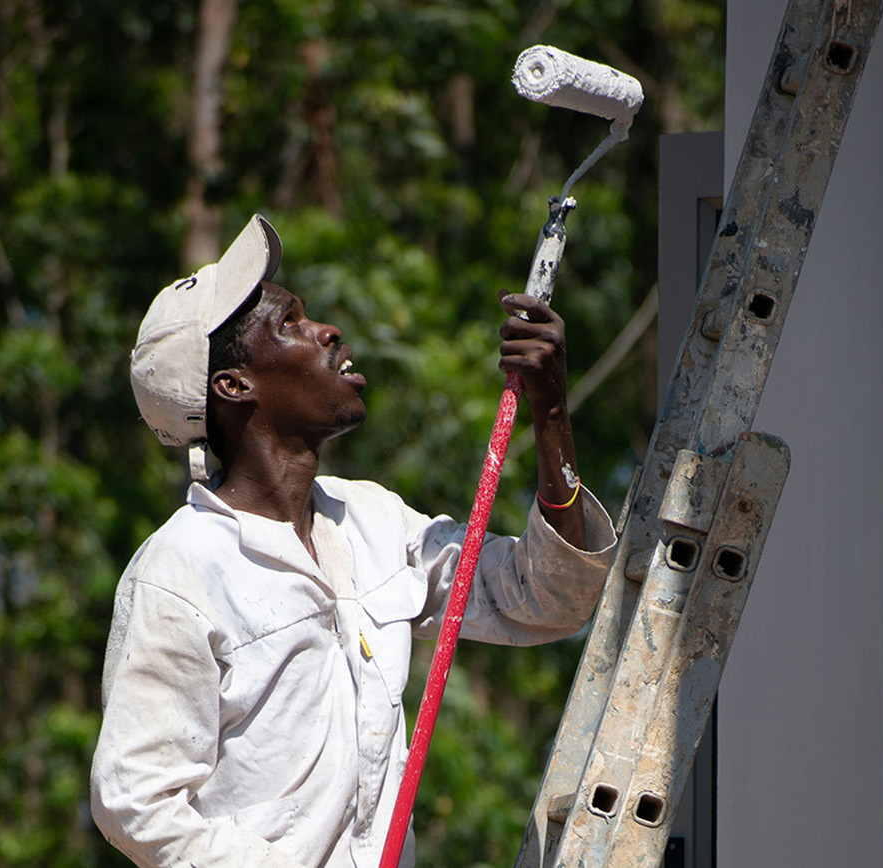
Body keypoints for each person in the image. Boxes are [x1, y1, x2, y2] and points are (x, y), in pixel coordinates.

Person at [90, 214, 616, 868]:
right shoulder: (181, 571)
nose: (328, 330)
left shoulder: (373, 522)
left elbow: (549, 598)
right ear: (233, 386)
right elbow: (135, 802)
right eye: (291, 324)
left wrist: (552, 412)